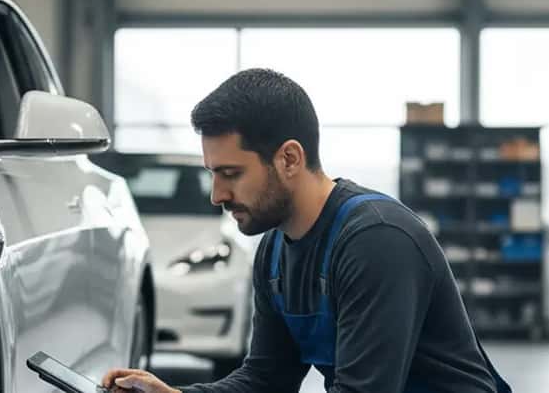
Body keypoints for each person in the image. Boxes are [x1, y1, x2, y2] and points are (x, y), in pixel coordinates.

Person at [103, 69, 512, 393]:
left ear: (290, 159)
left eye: (231, 174)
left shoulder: (377, 241)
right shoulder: (274, 251)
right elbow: (267, 380)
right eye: (214, 174)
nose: (217, 195)